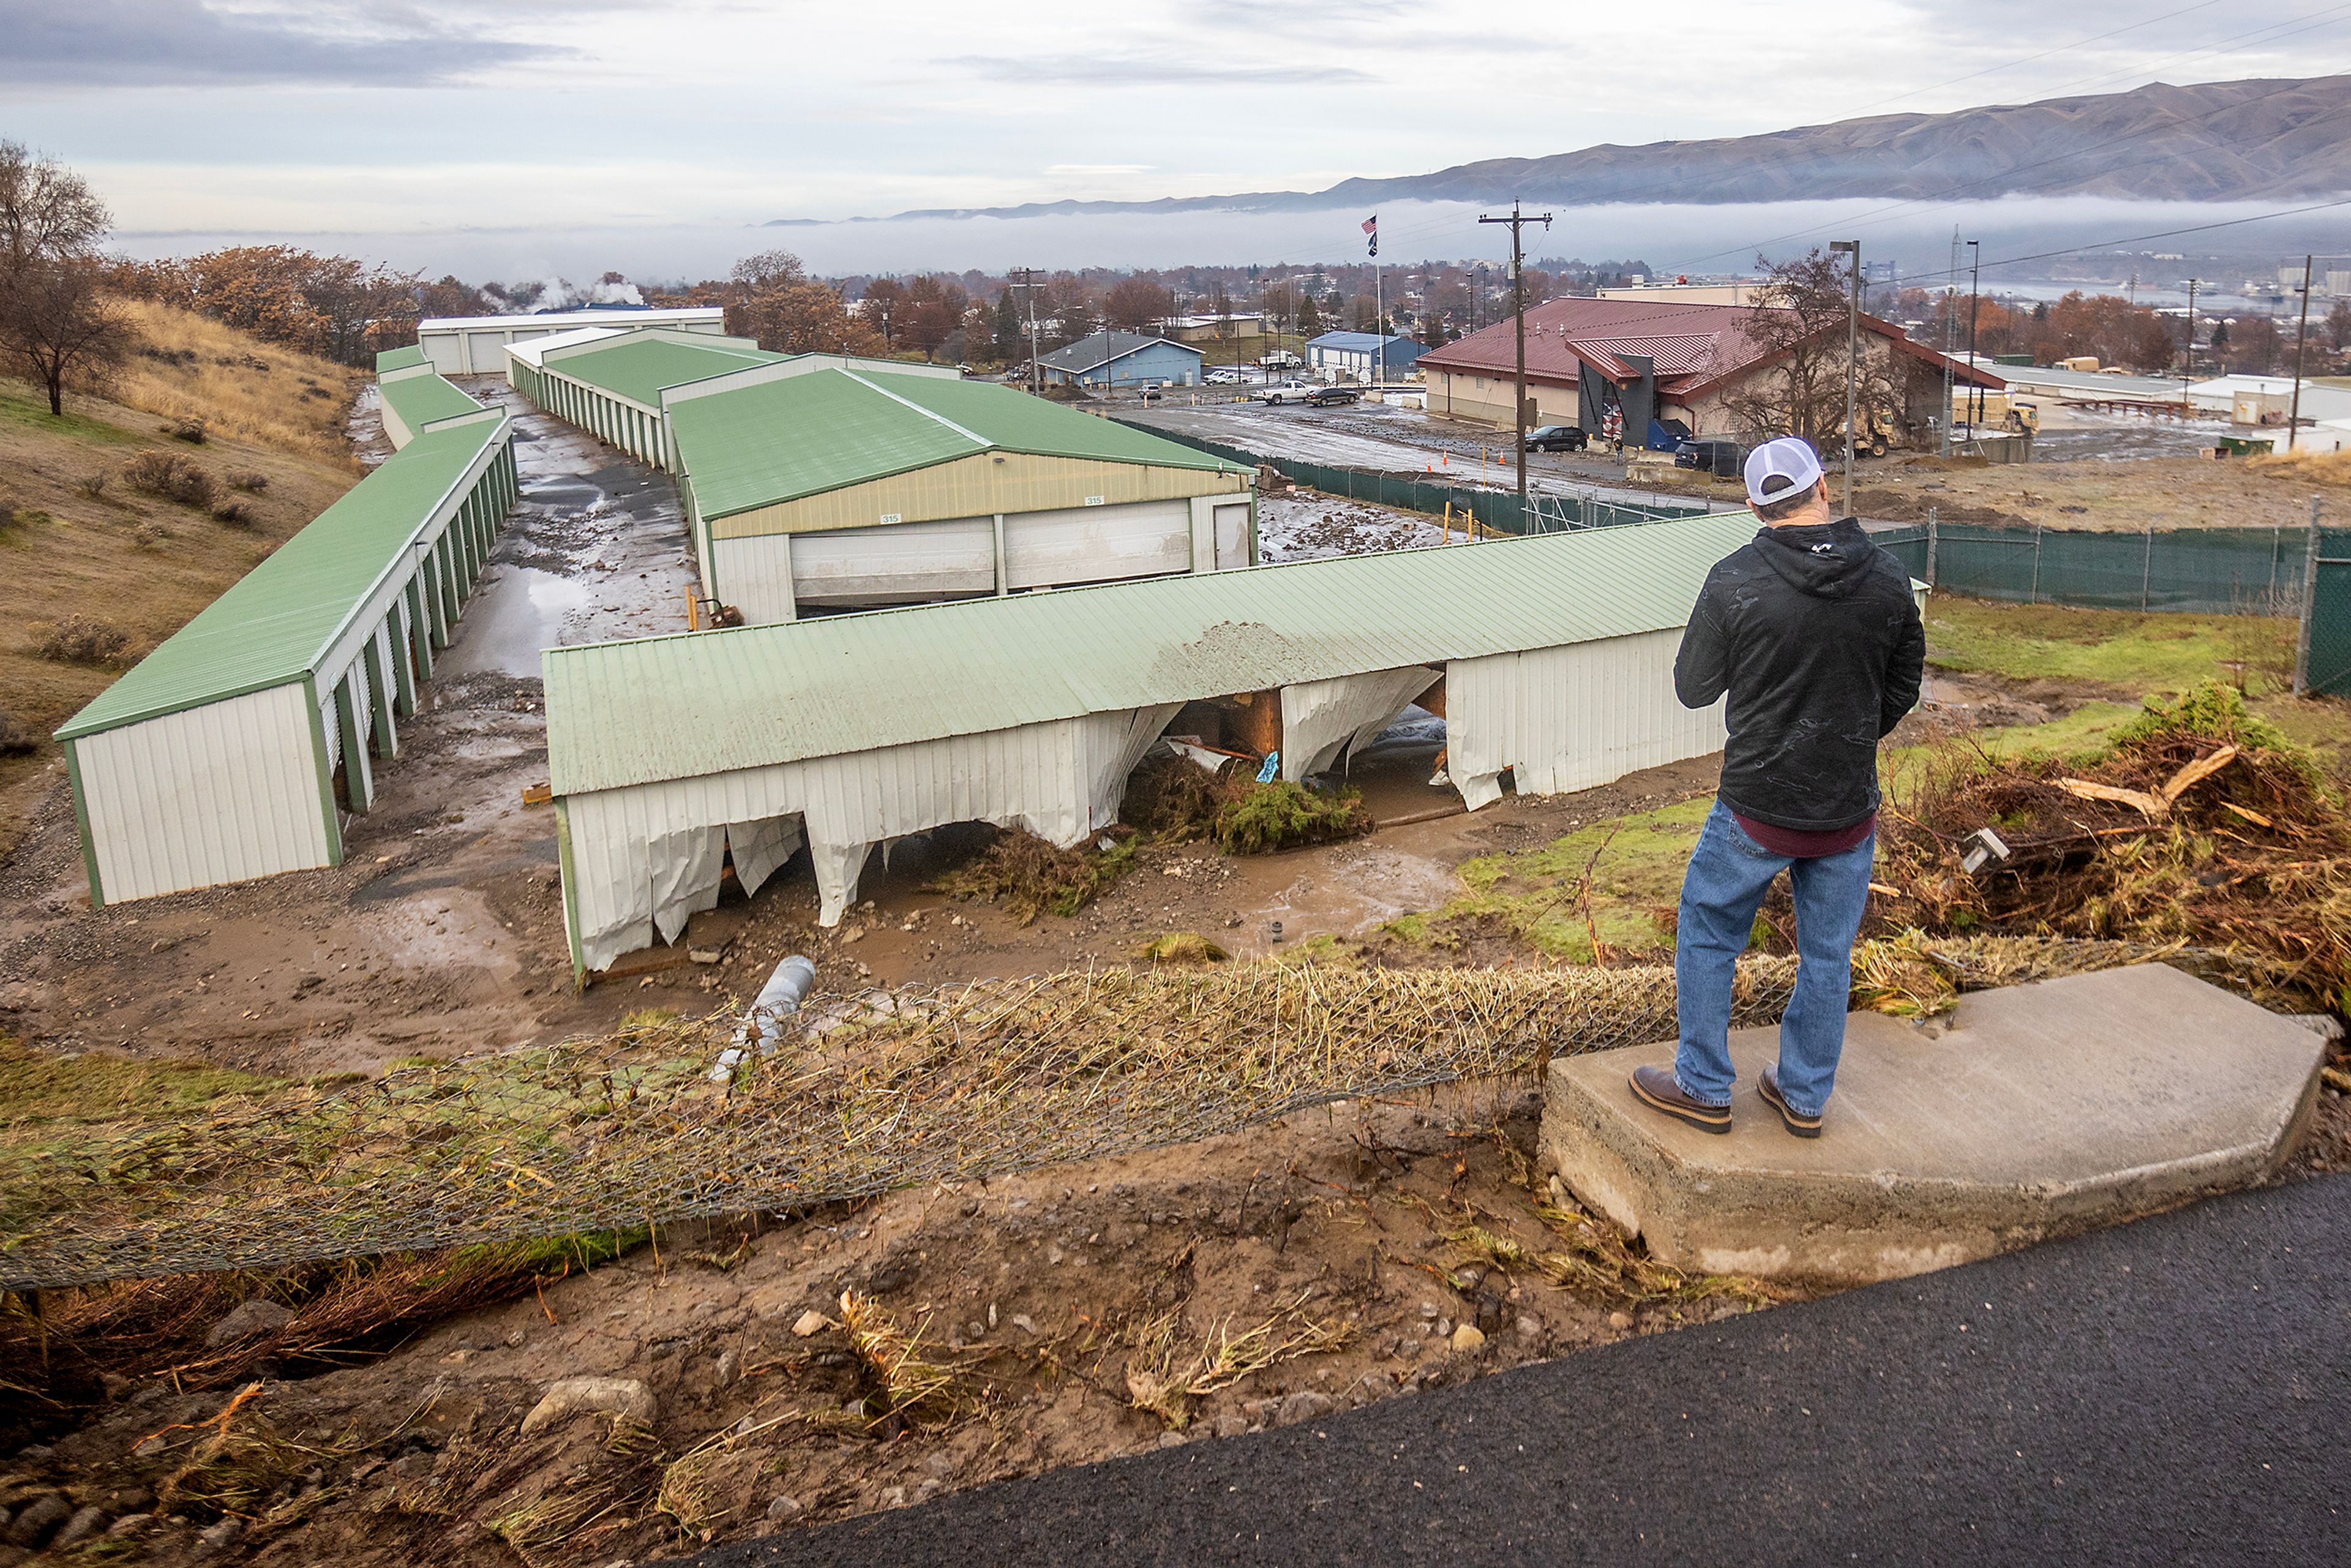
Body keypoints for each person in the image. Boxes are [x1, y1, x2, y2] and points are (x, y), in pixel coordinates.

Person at [1630, 437, 1924, 1138]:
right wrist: (1847, 736)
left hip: (1756, 808)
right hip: (1847, 809)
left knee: (1706, 934)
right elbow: (1904, 686)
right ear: (1823, 484)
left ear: (1754, 504)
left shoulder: (1734, 580)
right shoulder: (1887, 578)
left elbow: (1694, 687)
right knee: (1827, 954)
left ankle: (1702, 1086)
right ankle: (1804, 1095)